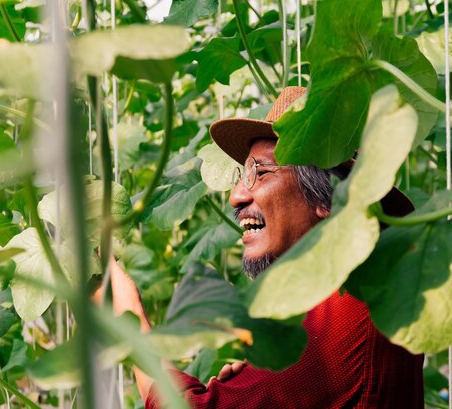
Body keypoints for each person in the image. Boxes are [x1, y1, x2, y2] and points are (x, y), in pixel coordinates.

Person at [107, 87, 424, 408]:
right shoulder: (364, 298)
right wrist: (254, 386)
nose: (236, 197)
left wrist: (129, 312)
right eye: (243, 174)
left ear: (333, 196)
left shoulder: (338, 314)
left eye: (260, 172)